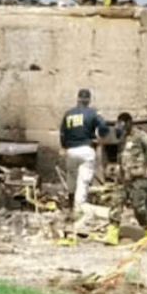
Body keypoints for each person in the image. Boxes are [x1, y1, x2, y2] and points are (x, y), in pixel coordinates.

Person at [103, 113, 147, 245]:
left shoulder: (141, 136)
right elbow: (118, 154)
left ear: (129, 123)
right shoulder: (120, 137)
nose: (121, 126)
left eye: (123, 123)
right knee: (116, 203)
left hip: (138, 176)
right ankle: (112, 234)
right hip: (123, 177)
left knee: (139, 207)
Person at [59, 89, 110, 219]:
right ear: (89, 100)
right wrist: (100, 138)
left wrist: (65, 146)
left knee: (71, 179)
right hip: (86, 150)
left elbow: (62, 134)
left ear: (78, 99)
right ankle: (78, 211)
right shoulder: (92, 113)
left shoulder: (68, 113)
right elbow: (104, 127)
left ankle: (70, 207)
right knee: (83, 182)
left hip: (70, 151)